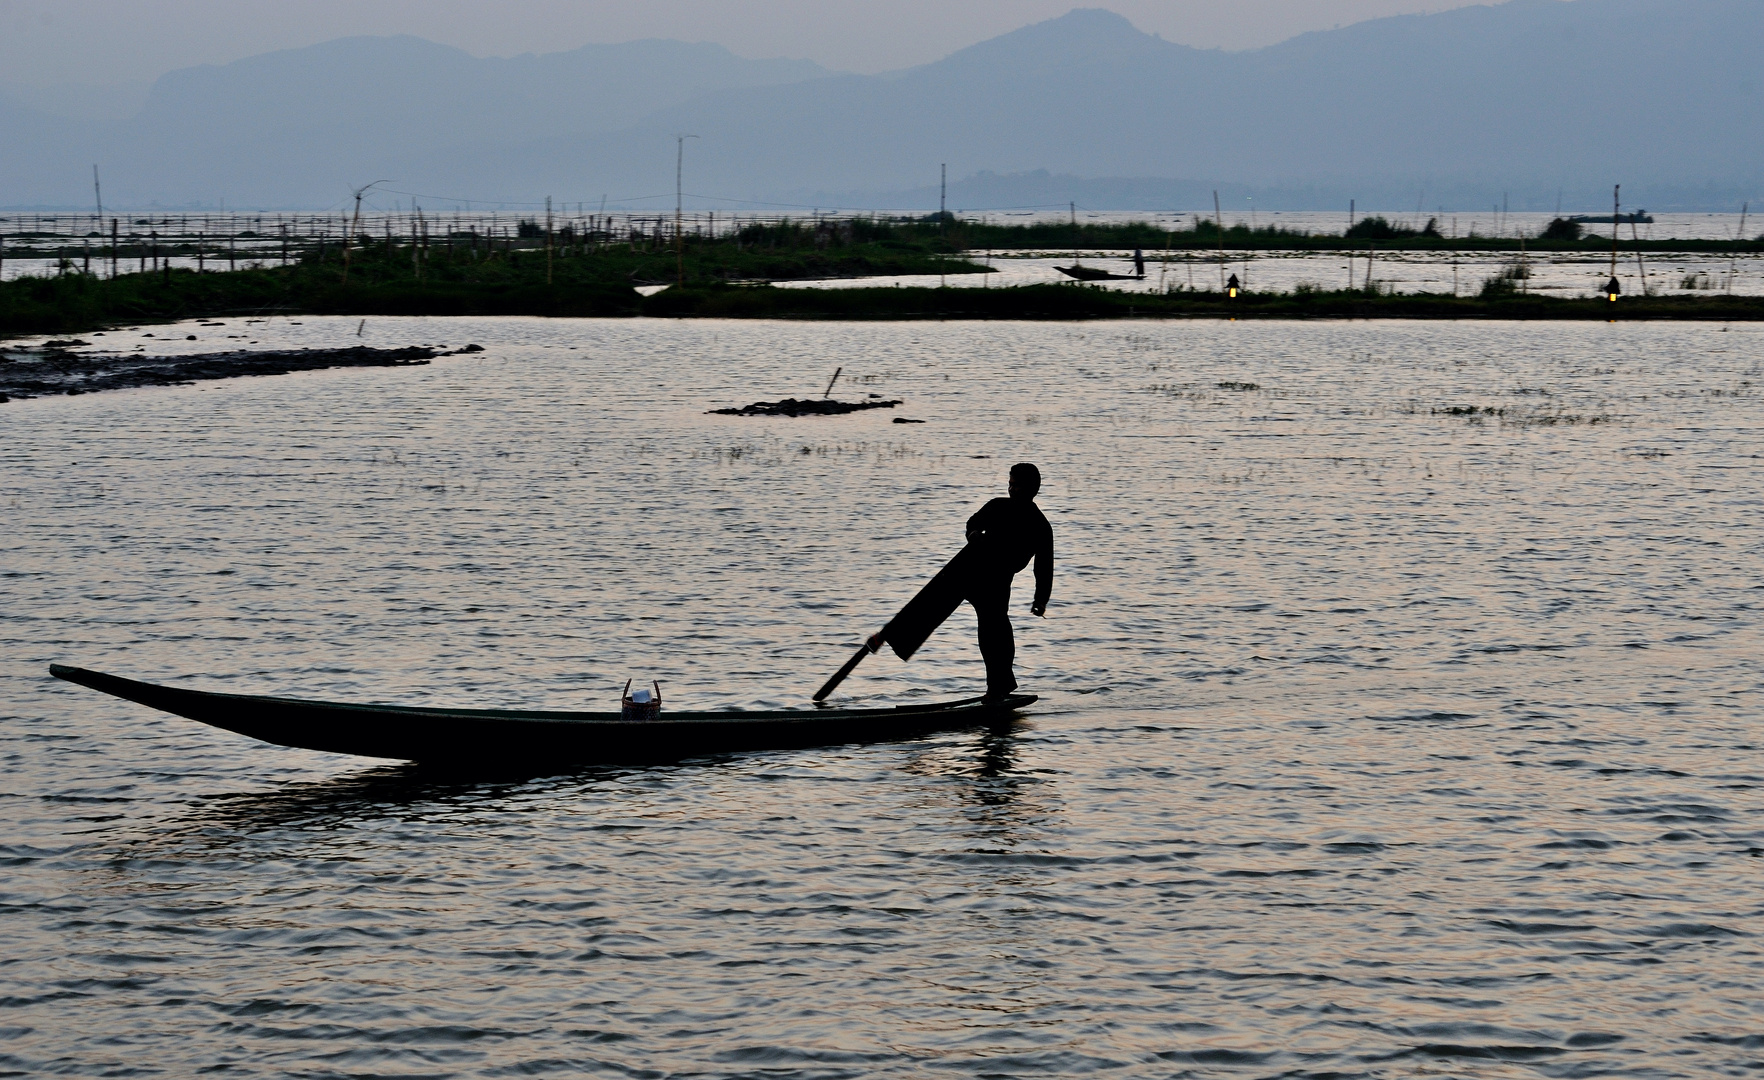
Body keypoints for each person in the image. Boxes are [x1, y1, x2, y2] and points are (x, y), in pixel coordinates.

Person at [868, 463, 1054, 701]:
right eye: (1010, 484)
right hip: (969, 566)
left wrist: (1040, 599)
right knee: (930, 601)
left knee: (994, 633)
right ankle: (887, 635)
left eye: (1018, 485)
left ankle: (1000, 687)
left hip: (997, 581)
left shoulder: (1040, 526)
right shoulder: (998, 506)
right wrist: (973, 534)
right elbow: (974, 522)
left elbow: (1044, 567)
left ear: (1033, 489)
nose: (1012, 489)